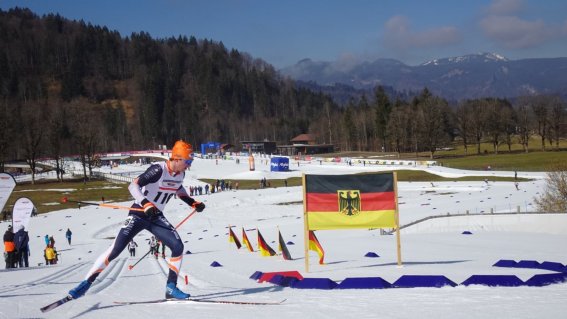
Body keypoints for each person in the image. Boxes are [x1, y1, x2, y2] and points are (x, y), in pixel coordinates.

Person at [68, 140, 206, 300]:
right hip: (139, 213)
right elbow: (133, 186)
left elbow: (178, 188)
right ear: (177, 158)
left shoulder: (181, 174)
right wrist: (146, 203)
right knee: (116, 249)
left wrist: (192, 202)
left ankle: (171, 288)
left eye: (190, 162)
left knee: (177, 246)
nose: (188, 165)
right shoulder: (158, 170)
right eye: (187, 161)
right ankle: (85, 284)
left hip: (156, 216)